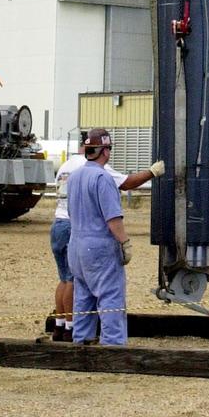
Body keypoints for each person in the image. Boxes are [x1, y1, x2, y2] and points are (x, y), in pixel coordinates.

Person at [48, 141, 164, 342]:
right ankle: (112, 344)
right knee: (109, 296)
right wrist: (124, 242)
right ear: (104, 151)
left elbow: (69, 209)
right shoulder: (103, 176)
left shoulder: (71, 172)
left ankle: (73, 334)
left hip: (70, 236)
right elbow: (115, 211)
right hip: (94, 243)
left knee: (76, 289)